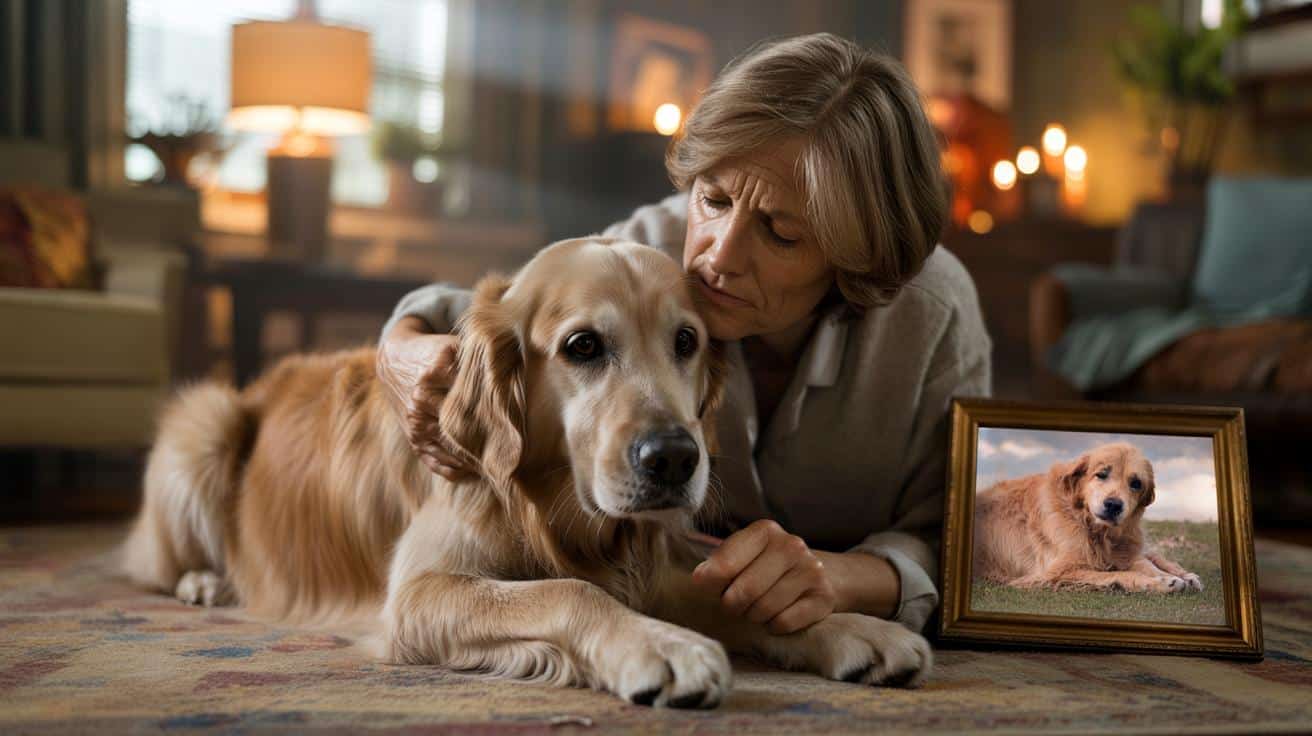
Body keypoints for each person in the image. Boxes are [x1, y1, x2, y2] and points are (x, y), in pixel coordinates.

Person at [376, 33, 991, 635]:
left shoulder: (932, 313)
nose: (718, 256)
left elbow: (968, 538)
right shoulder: (651, 253)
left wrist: (845, 578)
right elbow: (502, 314)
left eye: (780, 232)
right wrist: (398, 346)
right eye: (714, 199)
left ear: (858, 256)